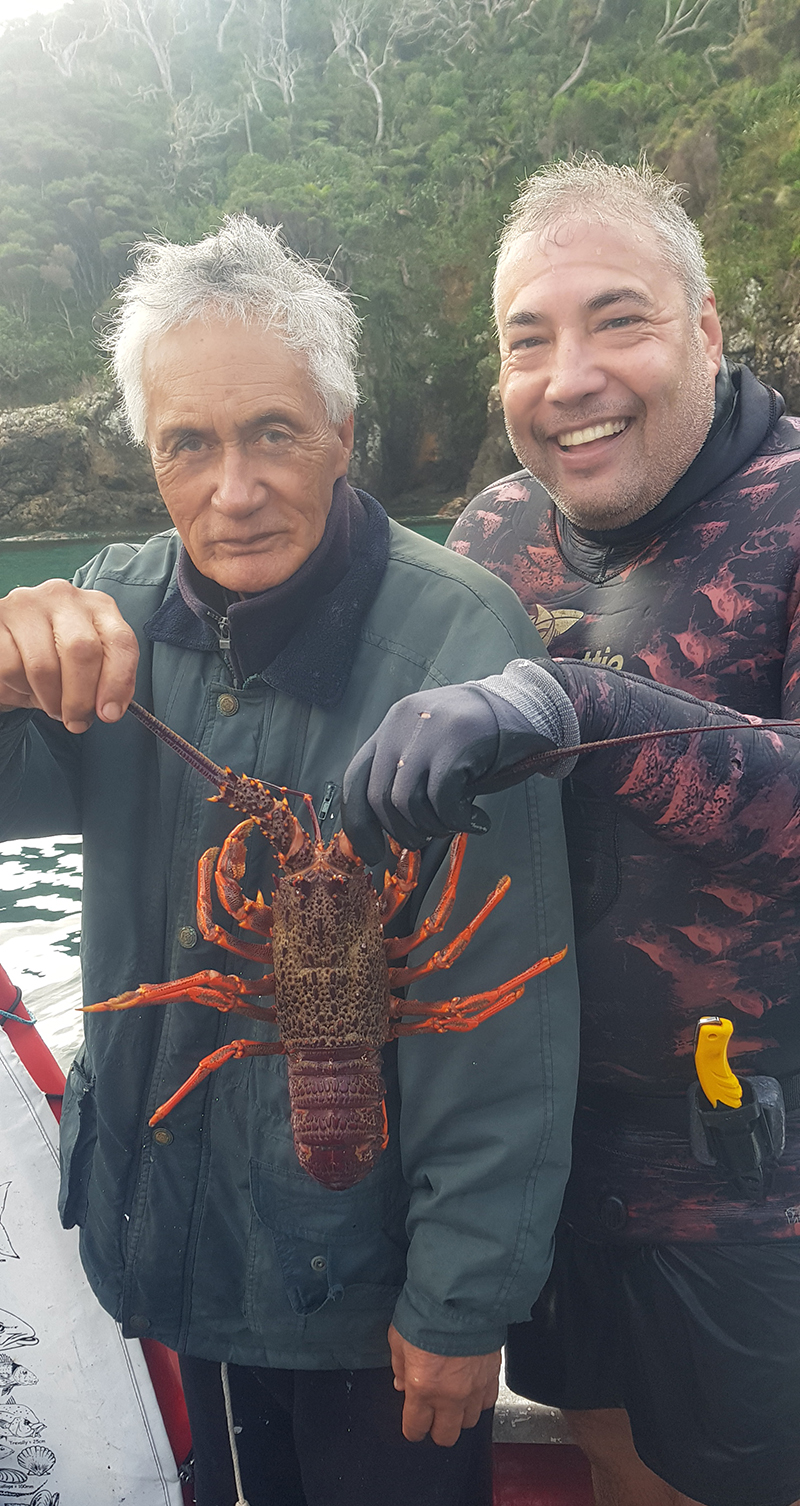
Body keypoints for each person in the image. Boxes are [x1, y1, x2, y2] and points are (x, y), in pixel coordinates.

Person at [0, 215, 580, 1506]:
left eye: (273, 431)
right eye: (187, 444)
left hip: (364, 1285)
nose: (233, 487)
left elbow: (502, 1012)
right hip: (173, 1251)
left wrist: (461, 1301)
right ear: (149, 456)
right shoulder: (114, 608)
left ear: (342, 432)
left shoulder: (454, 635)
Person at [341, 159, 800, 1506]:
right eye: (526, 338)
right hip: (545, 1161)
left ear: (707, 329)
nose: (570, 375)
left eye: (619, 320)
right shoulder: (492, 531)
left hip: (752, 1187)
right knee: (605, 1454)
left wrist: (571, 699)